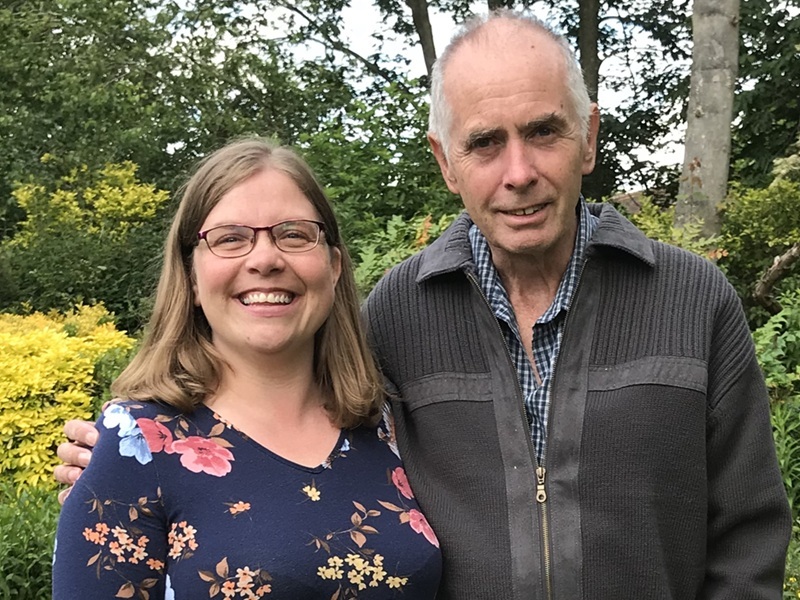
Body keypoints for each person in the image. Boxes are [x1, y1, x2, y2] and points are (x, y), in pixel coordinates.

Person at [56, 10, 791, 599]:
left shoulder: (693, 300)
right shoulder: (397, 316)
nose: (518, 172)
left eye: (543, 132)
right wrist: (127, 458)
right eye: (484, 143)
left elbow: (749, 538)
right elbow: (260, 412)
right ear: (445, 162)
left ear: (589, 138)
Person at [52, 138, 442, 599]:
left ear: (334, 266)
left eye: (294, 234)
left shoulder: (386, 425)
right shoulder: (137, 445)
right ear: (191, 277)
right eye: (230, 238)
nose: (265, 260)